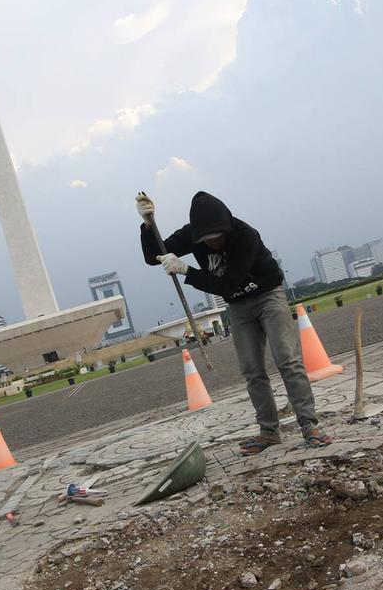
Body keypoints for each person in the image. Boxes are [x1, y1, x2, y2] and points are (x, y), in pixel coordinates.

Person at [137, 191, 332, 454]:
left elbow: (228, 283)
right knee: (252, 370)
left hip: (267, 295)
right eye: (206, 240)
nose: (213, 242)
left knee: (288, 359)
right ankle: (269, 432)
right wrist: (148, 225)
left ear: (226, 226)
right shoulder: (192, 234)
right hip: (239, 306)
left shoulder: (245, 235)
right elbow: (154, 255)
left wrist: (187, 271)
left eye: (218, 237)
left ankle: (309, 425)